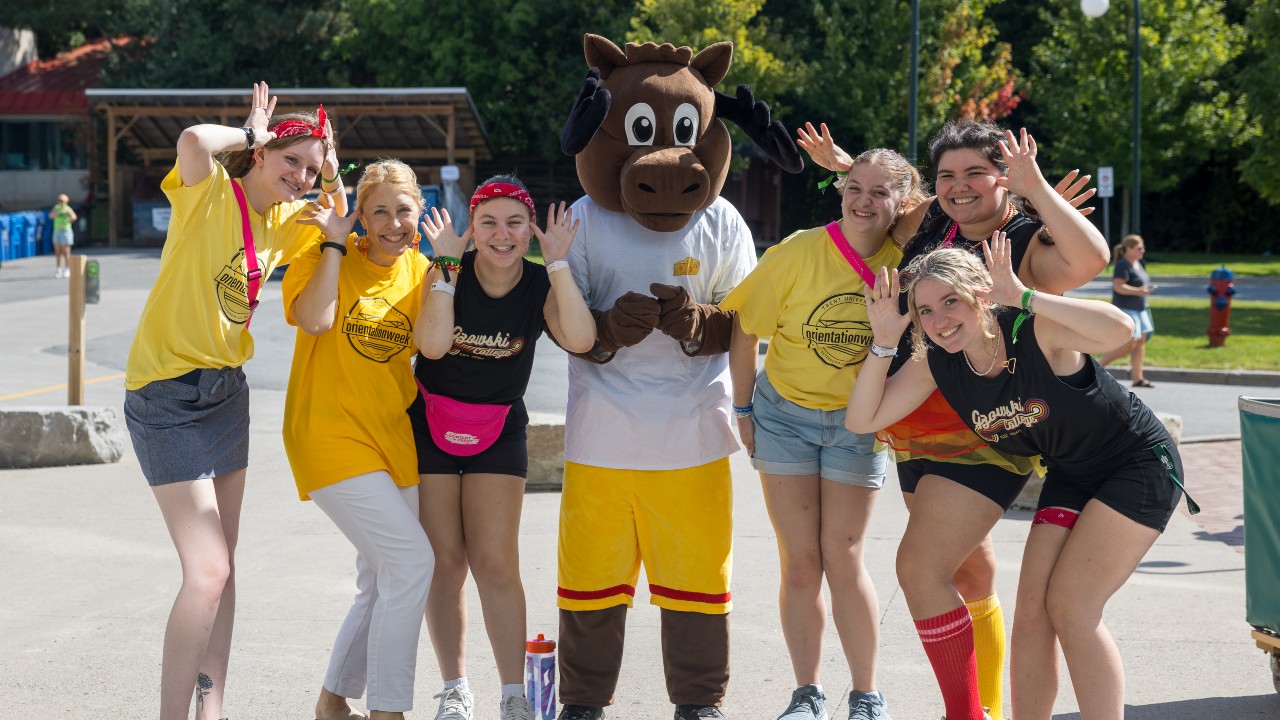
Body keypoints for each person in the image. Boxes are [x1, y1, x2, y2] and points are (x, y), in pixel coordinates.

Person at [798, 121, 1106, 720]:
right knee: (969, 568)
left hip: (984, 426)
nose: (959, 187)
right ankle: (985, 706)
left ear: (1004, 178)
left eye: (976, 173)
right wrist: (843, 167)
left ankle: (965, 714)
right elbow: (891, 202)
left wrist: (1037, 191)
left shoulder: (1024, 243)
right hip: (914, 415)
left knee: (921, 567)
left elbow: (1089, 259)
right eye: (947, 175)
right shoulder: (934, 221)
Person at [848, 234, 1190, 720]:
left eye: (951, 301)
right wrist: (884, 343)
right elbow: (863, 419)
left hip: (1136, 463)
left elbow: (1120, 330)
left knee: (1072, 607)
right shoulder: (939, 362)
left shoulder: (1033, 331)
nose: (940, 320)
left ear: (979, 295)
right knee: (1032, 613)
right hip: (1072, 472)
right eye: (925, 311)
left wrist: (1024, 296)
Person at [122, 82, 344, 720]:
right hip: (167, 392)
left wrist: (327, 169)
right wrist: (253, 130)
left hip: (227, 394)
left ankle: (211, 707)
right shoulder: (211, 195)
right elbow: (194, 141)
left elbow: (338, 213)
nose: (300, 176)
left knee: (226, 568)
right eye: (289, 162)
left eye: (309, 166)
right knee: (208, 571)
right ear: (261, 156)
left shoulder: (285, 221)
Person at [720, 149, 925, 720]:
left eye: (880, 192)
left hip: (857, 425)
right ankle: (806, 694)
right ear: (839, 190)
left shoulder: (910, 263)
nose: (863, 200)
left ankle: (866, 694)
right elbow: (744, 328)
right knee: (801, 560)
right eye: (853, 186)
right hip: (784, 416)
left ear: (902, 203)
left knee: (846, 555)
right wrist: (742, 409)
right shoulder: (798, 251)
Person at [412, 175, 594, 720]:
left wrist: (559, 263)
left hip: (499, 431)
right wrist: (444, 267)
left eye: (515, 222)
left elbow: (581, 339)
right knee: (445, 563)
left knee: (495, 563)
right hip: (431, 425)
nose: (502, 234)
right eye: (487, 222)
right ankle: (454, 689)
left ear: (531, 229)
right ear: (471, 229)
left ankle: (514, 695)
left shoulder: (540, 283)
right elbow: (433, 345)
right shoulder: (446, 272)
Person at [283, 159, 434, 720]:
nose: (393, 223)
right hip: (326, 434)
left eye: (403, 210)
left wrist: (447, 267)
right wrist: (331, 245)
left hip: (391, 439)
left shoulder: (422, 271)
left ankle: (332, 700)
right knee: (414, 563)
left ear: (418, 213)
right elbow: (318, 320)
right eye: (378, 212)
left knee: (380, 581)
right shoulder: (325, 257)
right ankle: (388, 711)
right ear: (361, 220)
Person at [1098, 234, 1156, 388]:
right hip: (1127, 308)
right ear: (1129, 249)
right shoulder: (1123, 265)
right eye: (1139, 248)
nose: (1142, 250)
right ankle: (1098, 366)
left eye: (1142, 247)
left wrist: (1142, 291)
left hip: (1140, 308)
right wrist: (1139, 291)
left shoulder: (1138, 263)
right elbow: (1118, 286)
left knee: (1140, 343)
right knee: (1130, 343)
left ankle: (1138, 378)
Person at [49, 193, 77, 278]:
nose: (61, 203)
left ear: (66, 201)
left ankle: (67, 269)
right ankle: (58, 269)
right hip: (57, 231)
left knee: (66, 252)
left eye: (63, 201)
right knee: (58, 252)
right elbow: (50, 216)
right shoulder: (56, 208)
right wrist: (57, 212)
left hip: (66, 231)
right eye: (60, 201)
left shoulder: (68, 209)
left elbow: (74, 217)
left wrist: (67, 220)